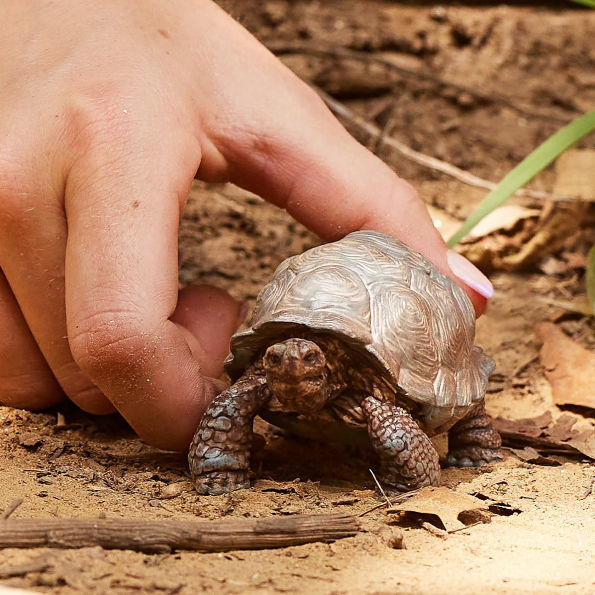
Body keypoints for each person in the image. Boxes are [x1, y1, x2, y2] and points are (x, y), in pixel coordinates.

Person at [0, 0, 493, 451]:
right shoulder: (264, 377)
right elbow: (232, 402)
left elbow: (399, 428)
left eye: (304, 362)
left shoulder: (374, 397)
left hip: (386, 373)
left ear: (326, 367)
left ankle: (475, 436)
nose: (289, 368)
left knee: (401, 428)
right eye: (277, 359)